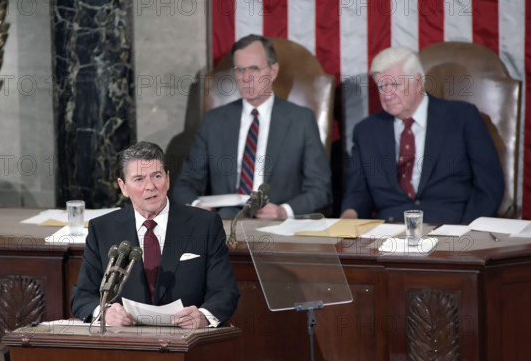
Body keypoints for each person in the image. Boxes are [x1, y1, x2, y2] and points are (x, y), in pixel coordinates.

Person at [71, 141, 240, 328]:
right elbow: (81, 296)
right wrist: (104, 313)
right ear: (123, 187)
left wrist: (203, 316)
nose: (150, 186)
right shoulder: (102, 229)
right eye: (139, 179)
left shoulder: (205, 225)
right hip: (125, 343)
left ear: (167, 179)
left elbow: (225, 292)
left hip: (188, 341)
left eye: (156, 176)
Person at [173, 34, 332, 220]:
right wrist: (196, 206)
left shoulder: (301, 120)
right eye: (239, 70)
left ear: (273, 71)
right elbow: (185, 184)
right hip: (224, 224)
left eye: (254, 69)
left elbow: (321, 190)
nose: (246, 78)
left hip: (279, 226)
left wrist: (284, 211)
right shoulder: (214, 121)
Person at [340, 46, 504, 224]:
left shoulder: (462, 118)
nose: (387, 95)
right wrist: (349, 217)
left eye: (394, 84)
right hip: (389, 233)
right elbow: (358, 193)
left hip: (452, 228)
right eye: (382, 86)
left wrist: (466, 234)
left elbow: (489, 186)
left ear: (418, 82)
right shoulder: (367, 131)